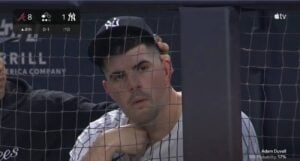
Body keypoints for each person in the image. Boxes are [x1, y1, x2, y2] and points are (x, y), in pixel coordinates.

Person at [69, 16, 262, 161]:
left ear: (166, 68)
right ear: (108, 89)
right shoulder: (95, 136)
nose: (133, 85)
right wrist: (104, 147)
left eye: (142, 68)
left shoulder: (220, 125)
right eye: (118, 76)